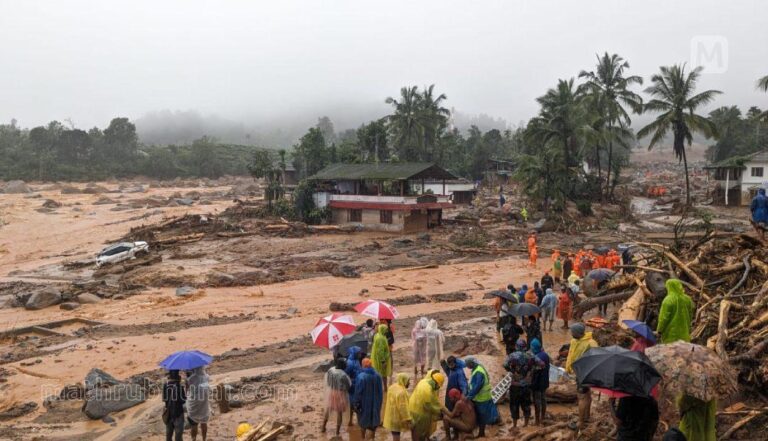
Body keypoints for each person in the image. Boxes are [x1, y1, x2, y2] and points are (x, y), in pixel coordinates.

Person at [565, 323, 598, 429]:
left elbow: (597, 358)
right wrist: (568, 368)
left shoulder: (591, 343)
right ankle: (587, 416)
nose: (571, 333)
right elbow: (571, 354)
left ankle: (580, 422)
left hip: (585, 373)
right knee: (587, 394)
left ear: (578, 333)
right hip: (579, 372)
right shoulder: (575, 341)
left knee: (582, 397)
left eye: (572, 332)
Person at [464, 356, 499, 437]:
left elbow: (478, 386)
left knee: (482, 416)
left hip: (482, 398)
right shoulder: (477, 367)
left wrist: (469, 396)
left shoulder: (479, 371)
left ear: (472, 363)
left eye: (468, 365)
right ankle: (481, 431)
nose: (467, 367)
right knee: (481, 415)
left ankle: (481, 433)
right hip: (480, 397)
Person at [504, 339, 534, 428]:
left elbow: (505, 365)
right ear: (525, 346)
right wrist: (530, 372)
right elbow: (541, 364)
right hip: (526, 385)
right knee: (526, 405)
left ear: (517, 346)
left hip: (515, 385)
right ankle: (526, 424)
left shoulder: (512, 356)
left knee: (514, 405)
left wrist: (512, 371)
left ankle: (515, 425)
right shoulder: (530, 356)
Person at [408, 371, 445, 441]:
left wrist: (440, 408)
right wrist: (439, 412)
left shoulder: (424, 381)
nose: (438, 388)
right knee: (419, 432)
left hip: (412, 407)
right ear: (436, 382)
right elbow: (428, 407)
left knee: (414, 430)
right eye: (438, 386)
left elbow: (434, 400)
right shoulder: (427, 390)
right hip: (419, 412)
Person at [352, 358, 384, 439]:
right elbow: (381, 391)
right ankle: (372, 438)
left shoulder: (361, 377)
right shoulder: (378, 376)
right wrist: (379, 403)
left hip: (364, 404)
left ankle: (363, 438)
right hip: (376, 403)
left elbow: (358, 393)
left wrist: (355, 404)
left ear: (363, 366)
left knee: (363, 422)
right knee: (374, 421)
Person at [657, 279, 694, 344]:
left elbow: (663, 318)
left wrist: (659, 330)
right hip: (685, 333)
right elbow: (690, 314)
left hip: (671, 335)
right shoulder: (687, 299)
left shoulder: (668, 300)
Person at [322, 358, 352, 435]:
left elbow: (328, 382)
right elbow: (348, 386)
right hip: (341, 394)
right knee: (339, 413)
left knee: (329, 409)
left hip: (332, 392)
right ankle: (337, 432)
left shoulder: (331, 370)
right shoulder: (343, 374)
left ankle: (323, 427)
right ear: (343, 365)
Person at [383, 373, 411, 441]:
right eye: (408, 381)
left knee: (395, 434)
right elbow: (403, 408)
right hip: (396, 418)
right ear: (403, 380)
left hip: (390, 416)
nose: (409, 383)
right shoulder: (402, 392)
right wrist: (408, 419)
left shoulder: (392, 387)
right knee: (396, 435)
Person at [185, 366, 211, 441]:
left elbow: (186, 392)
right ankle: (204, 439)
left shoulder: (190, 379)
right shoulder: (207, 377)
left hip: (193, 405)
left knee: (194, 425)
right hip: (204, 405)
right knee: (204, 423)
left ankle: (194, 439)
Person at [529, 339, 550, 426]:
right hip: (545, 381)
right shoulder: (545, 355)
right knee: (543, 399)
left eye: (531, 347)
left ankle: (537, 420)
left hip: (537, 383)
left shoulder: (536, 358)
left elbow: (533, 372)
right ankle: (543, 417)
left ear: (534, 348)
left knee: (537, 401)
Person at [163, 369, 186, 441]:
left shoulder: (165, 385)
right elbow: (183, 400)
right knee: (178, 436)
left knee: (168, 435)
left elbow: (164, 399)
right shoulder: (180, 386)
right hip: (178, 413)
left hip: (169, 414)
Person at [345, 346, 363, 426]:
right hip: (352, 386)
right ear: (355, 353)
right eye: (359, 353)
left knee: (356, 403)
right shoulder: (349, 363)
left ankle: (354, 421)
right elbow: (346, 375)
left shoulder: (356, 360)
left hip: (358, 384)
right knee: (353, 404)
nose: (360, 354)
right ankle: (351, 421)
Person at [371, 324, 392, 391]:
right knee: (383, 373)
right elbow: (380, 351)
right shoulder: (380, 338)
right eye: (386, 330)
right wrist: (383, 361)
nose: (387, 331)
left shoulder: (378, 335)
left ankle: (382, 387)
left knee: (379, 373)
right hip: (380, 359)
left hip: (377, 357)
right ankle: (384, 388)